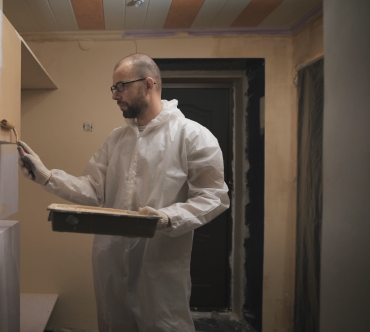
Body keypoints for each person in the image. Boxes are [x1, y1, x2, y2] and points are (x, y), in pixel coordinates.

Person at [18, 54, 230, 332]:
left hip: (158, 267)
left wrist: (167, 218)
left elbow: (213, 196)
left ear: (148, 84)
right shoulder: (117, 139)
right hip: (111, 263)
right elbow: (94, 190)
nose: (115, 95)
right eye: (113, 88)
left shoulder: (192, 136)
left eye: (121, 86)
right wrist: (47, 177)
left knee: (164, 325)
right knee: (113, 323)